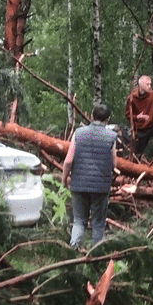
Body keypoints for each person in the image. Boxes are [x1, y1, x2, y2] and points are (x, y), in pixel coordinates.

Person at [61, 103, 118, 249]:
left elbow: (68, 161)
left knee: (79, 221)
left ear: (92, 116)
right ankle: (95, 256)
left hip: (79, 184)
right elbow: (114, 164)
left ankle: (73, 251)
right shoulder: (111, 137)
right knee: (98, 224)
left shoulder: (78, 133)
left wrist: (64, 181)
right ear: (108, 119)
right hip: (100, 187)